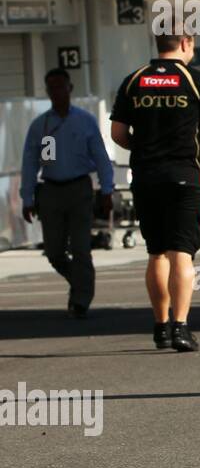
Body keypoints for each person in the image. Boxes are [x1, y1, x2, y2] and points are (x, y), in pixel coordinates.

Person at [110, 27, 200, 352]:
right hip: (184, 178)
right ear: (186, 44)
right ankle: (181, 327)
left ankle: (160, 327)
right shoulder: (196, 79)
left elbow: (118, 133)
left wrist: (143, 149)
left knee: (156, 252)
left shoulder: (134, 80)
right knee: (181, 254)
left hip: (146, 177)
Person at [20, 67, 115, 317]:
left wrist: (107, 189)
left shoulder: (85, 121)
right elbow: (30, 162)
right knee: (54, 251)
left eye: (61, 87)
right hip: (51, 190)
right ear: (48, 92)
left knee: (81, 247)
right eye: (52, 88)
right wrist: (27, 197)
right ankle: (80, 282)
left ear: (70, 89)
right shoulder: (41, 126)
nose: (57, 93)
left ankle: (81, 298)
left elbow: (101, 157)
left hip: (79, 189)